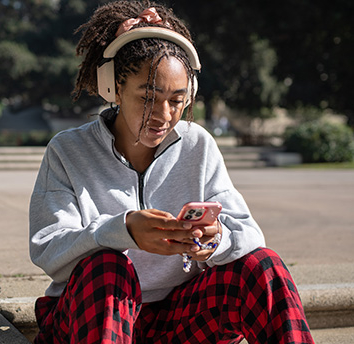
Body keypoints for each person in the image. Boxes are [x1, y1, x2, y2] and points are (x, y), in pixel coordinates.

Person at [29, 1, 314, 343]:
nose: (163, 115)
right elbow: (48, 250)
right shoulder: (68, 151)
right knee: (107, 267)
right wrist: (121, 231)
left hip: (176, 319)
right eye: (148, 97)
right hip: (92, 314)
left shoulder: (198, 145)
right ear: (114, 88)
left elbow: (251, 236)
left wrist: (215, 240)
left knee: (263, 268)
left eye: (177, 100)